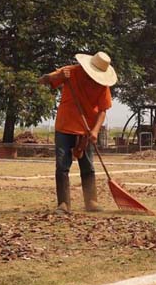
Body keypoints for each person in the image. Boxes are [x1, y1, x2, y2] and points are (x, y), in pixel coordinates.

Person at [39, 51, 117, 214]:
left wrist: (95, 130)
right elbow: (43, 80)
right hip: (65, 126)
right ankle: (64, 204)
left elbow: (103, 110)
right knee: (62, 166)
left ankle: (91, 201)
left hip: (86, 130)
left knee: (88, 166)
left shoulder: (103, 86)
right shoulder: (71, 72)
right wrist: (57, 76)